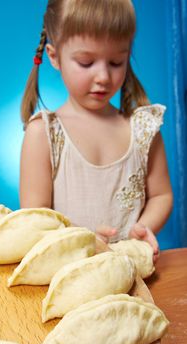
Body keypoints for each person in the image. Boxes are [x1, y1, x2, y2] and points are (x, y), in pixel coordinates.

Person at [20, 0, 173, 262]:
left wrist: (143, 228)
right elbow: (36, 221)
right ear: (54, 57)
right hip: (70, 276)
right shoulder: (44, 135)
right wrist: (85, 240)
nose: (103, 76)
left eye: (116, 62)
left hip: (132, 274)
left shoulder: (143, 130)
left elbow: (161, 195)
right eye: (86, 62)